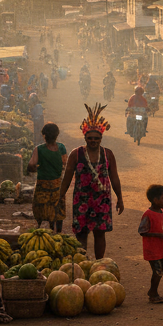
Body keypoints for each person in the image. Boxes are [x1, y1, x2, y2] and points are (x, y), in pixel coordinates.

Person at [58, 104, 124, 261]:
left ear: (101, 138)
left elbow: (114, 177)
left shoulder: (108, 154)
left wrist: (120, 197)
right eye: (90, 138)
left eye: (96, 138)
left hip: (103, 201)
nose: (93, 141)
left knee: (100, 234)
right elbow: (67, 177)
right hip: (81, 199)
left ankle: (99, 263)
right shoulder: (76, 154)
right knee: (81, 233)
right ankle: (82, 263)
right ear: (85, 138)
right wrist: (60, 196)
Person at [27, 123, 68, 232]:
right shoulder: (61, 147)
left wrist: (38, 168)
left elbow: (31, 165)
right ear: (57, 135)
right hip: (57, 185)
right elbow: (64, 163)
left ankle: (41, 230)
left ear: (44, 135)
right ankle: (57, 232)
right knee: (58, 209)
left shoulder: (39, 149)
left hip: (42, 185)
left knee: (42, 208)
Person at [139, 184, 163, 304]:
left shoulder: (162, 212)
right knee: (157, 271)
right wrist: (160, 235)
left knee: (160, 271)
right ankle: (153, 294)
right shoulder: (148, 214)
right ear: (155, 199)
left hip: (160, 248)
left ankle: (153, 292)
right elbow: (142, 231)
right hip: (152, 249)